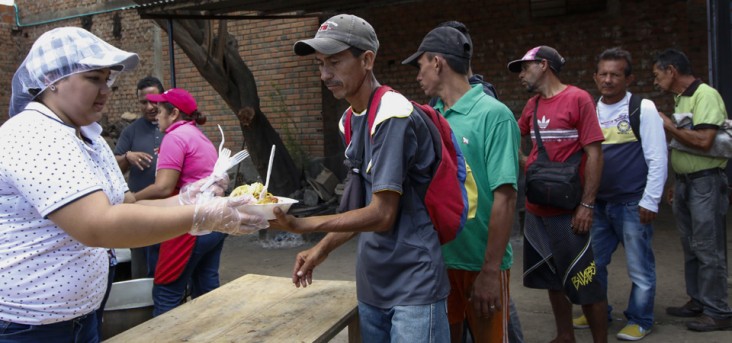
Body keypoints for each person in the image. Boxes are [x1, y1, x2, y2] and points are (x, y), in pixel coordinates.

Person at [0, 26, 266, 342]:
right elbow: (98, 225)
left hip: (82, 313)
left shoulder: (90, 137)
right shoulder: (34, 135)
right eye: (93, 79)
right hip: (31, 324)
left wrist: (187, 200)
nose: (105, 90)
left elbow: (126, 206)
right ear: (51, 80)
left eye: (108, 80)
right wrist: (202, 213)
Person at [270, 14, 450, 342]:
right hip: (372, 285)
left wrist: (301, 226)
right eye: (320, 64)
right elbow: (358, 210)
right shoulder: (350, 121)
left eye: (335, 62)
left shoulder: (393, 114)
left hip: (413, 284)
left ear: (367, 59)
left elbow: (382, 214)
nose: (325, 74)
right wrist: (321, 250)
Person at [403, 26, 520, 343]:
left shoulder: (494, 115)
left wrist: (490, 273)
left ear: (437, 63)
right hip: (439, 264)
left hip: (480, 265)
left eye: (421, 65)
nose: (418, 75)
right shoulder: (428, 117)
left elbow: (505, 198)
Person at [507, 46, 608, 343]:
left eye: (525, 68)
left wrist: (587, 204)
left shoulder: (578, 99)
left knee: (585, 281)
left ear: (543, 65)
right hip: (538, 210)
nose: (521, 75)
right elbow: (511, 138)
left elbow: (595, 153)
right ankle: (565, 335)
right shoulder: (532, 106)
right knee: (552, 277)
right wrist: (529, 164)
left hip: (570, 211)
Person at [571, 47, 667, 341]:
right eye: (603, 74)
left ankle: (640, 319)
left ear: (629, 78)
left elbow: (657, 158)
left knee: (639, 267)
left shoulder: (642, 108)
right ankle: (600, 309)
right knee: (594, 263)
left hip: (632, 204)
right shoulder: (590, 110)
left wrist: (650, 200)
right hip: (598, 205)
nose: (608, 80)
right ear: (595, 77)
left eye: (615, 74)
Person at [653, 48, 732, 332]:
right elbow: (687, 146)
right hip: (689, 181)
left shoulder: (705, 95)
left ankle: (718, 310)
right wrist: (678, 180)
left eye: (657, 74)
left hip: (706, 182)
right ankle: (698, 300)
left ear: (672, 70)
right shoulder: (682, 97)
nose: (656, 80)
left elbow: (703, 142)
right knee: (691, 245)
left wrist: (669, 126)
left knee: (707, 247)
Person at [133, 88, 228, 317]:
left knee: (167, 292)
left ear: (174, 113)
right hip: (214, 222)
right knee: (206, 292)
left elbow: (163, 187)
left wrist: (131, 199)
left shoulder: (175, 137)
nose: (155, 115)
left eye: (160, 110)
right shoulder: (198, 135)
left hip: (189, 225)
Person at [114, 76, 165, 278]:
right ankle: (143, 302)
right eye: (144, 102)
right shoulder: (131, 131)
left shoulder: (175, 126)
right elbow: (113, 169)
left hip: (171, 205)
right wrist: (128, 156)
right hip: (139, 209)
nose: (150, 106)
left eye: (154, 100)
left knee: (168, 265)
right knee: (141, 265)